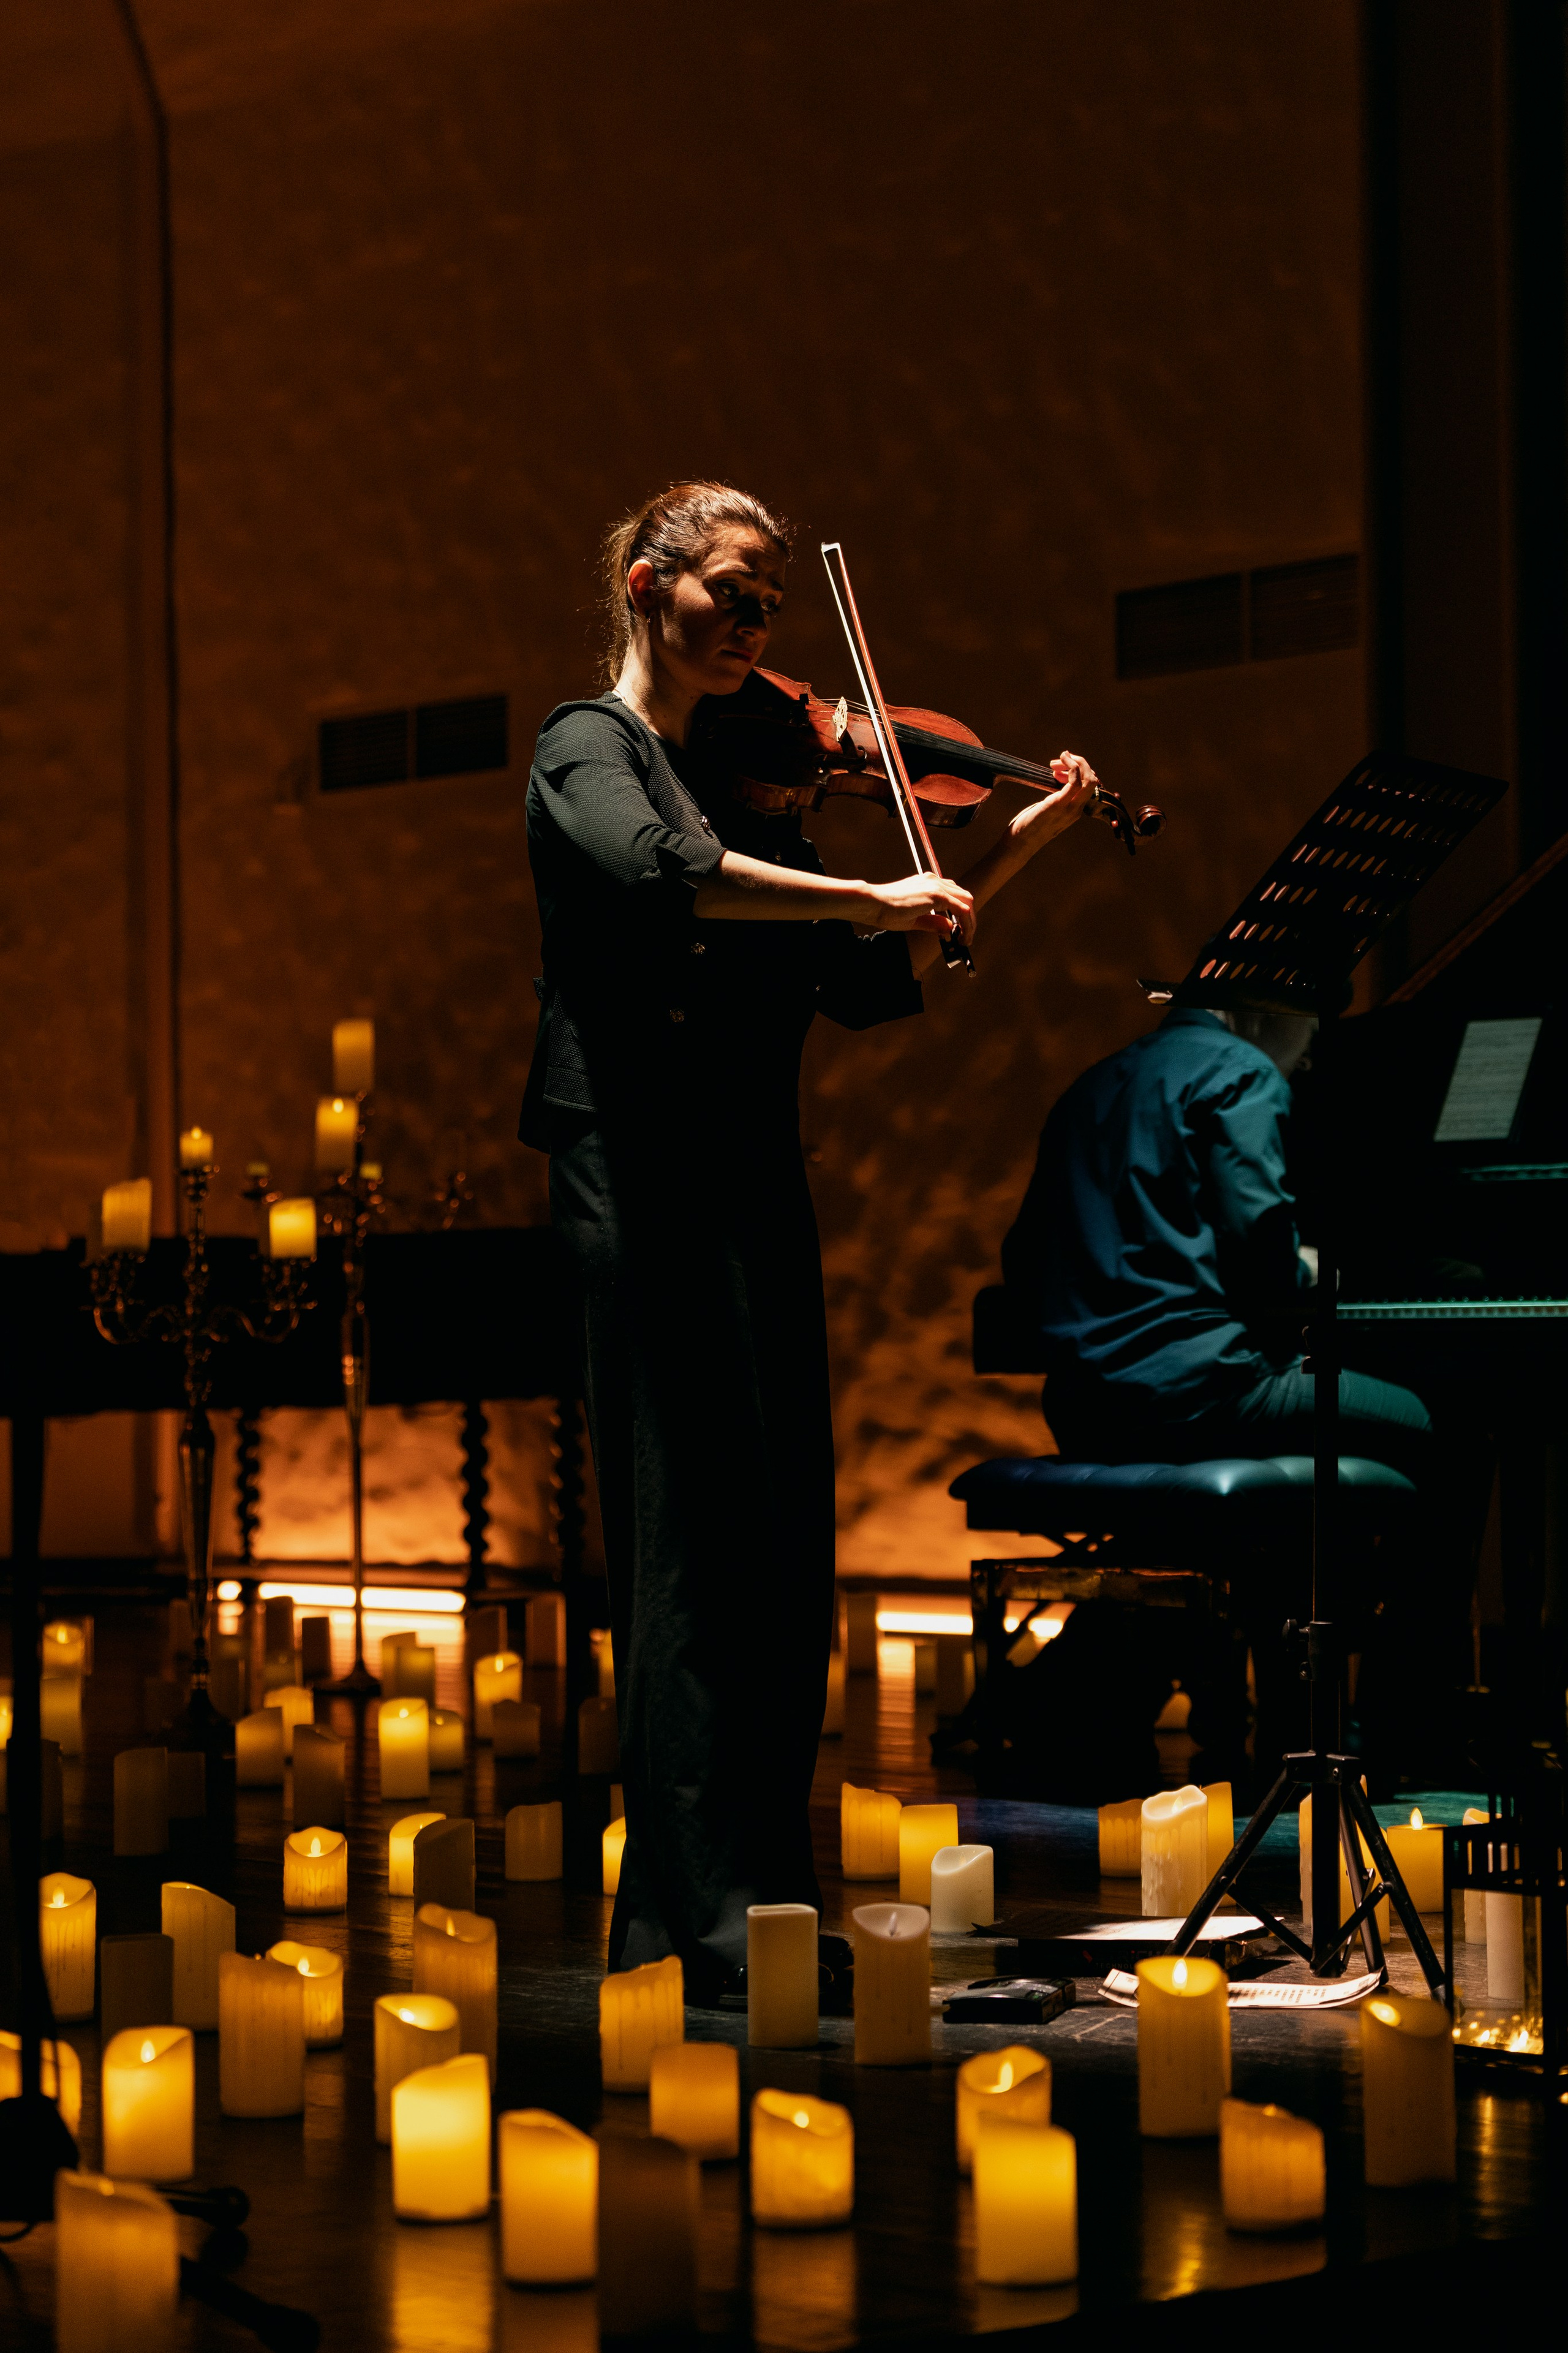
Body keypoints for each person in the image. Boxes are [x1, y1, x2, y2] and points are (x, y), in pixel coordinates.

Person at [520, 480, 1096, 2000]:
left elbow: (867, 967)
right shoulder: (592, 751)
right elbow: (667, 872)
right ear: (648, 587)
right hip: (637, 1179)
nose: (760, 626)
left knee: (778, 1541)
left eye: (773, 600)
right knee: (691, 1548)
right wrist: (863, 879)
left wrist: (1009, 846)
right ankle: (690, 1924)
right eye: (732, 590)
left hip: (744, 1170)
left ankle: (768, 1910)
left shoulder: (756, 785)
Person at [1000, 1002, 1431, 1478]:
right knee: (1434, 1419)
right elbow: (1261, 1252)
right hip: (1201, 1398)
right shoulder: (1241, 1069)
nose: (1307, 1058)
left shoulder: (1094, 1083)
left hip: (1082, 1412)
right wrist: (1303, 1266)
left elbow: (1023, 1259)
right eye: (1311, 1028)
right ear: (1271, 1009)